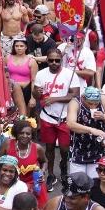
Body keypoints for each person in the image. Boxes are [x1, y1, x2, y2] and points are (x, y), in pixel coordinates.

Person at [32, 48, 79, 191]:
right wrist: (36, 92)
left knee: (64, 150)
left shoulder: (70, 74)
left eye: (57, 60)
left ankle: (64, 171)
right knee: (49, 148)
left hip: (65, 118)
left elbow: (74, 95)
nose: (54, 63)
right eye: (51, 60)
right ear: (47, 60)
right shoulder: (41, 74)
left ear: (61, 60)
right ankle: (51, 174)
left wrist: (54, 99)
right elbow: (35, 95)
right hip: (47, 117)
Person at [65, 87, 105, 179]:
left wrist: (104, 117)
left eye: (96, 104)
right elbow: (70, 124)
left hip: (98, 150)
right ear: (83, 98)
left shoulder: (103, 99)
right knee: (78, 184)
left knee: (94, 184)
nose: (93, 106)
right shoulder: (75, 103)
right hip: (78, 151)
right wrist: (92, 130)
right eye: (90, 103)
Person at [0, 120, 47, 208]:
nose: (25, 136)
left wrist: (42, 172)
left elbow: (44, 162)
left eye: (28, 134)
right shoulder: (7, 144)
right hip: (13, 184)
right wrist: (4, 175)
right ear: (16, 133)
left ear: (32, 135)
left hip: (34, 185)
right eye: (21, 133)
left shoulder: (37, 148)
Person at [40, 173, 105, 210]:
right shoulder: (55, 204)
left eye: (72, 198)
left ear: (86, 197)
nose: (66, 200)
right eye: (65, 195)